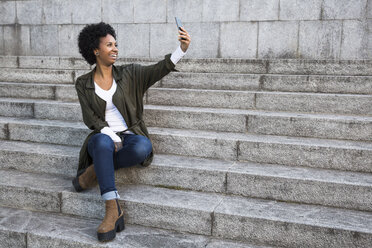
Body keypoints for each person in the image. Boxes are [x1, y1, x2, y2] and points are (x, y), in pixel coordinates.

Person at [72, 22, 191, 242]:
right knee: (101, 143)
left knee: (143, 147)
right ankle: (111, 208)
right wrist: (110, 133)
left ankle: (92, 173)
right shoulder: (83, 83)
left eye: (116, 44)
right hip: (102, 136)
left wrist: (180, 51)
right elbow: (90, 118)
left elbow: (158, 69)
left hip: (130, 134)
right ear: (95, 50)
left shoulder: (130, 74)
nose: (115, 48)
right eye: (109, 45)